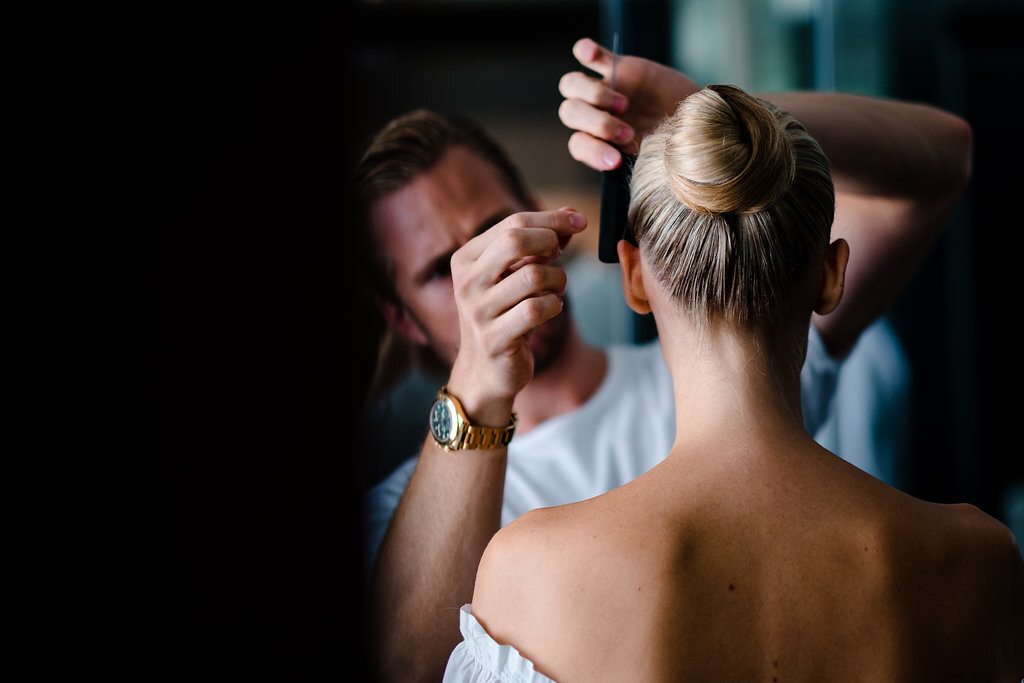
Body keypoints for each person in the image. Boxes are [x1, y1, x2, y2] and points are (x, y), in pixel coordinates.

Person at [358, 38, 973, 681]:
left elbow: (942, 162)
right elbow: (407, 668)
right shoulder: (404, 514)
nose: (491, 268)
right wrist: (476, 391)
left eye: (495, 225)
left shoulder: (735, 347)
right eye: (442, 270)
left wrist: (714, 117)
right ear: (399, 318)